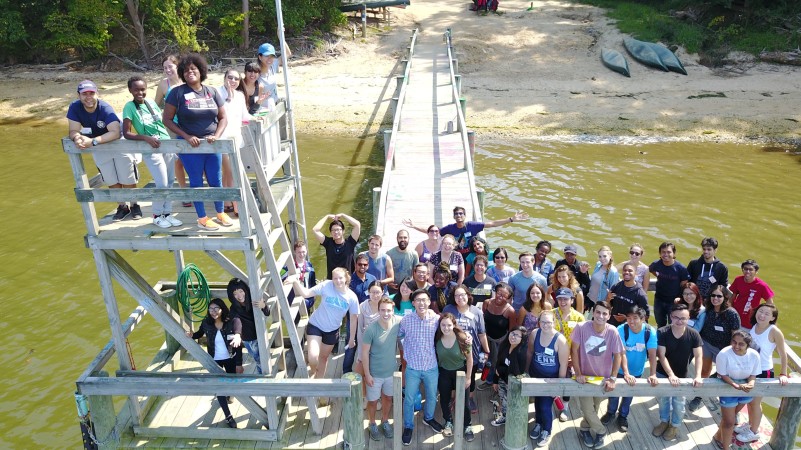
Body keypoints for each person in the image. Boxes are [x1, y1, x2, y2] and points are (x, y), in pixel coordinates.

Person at [162, 53, 231, 231]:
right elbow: (167, 120)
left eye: (193, 69)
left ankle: (220, 212)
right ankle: (202, 218)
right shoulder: (177, 93)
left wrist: (216, 135)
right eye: (185, 70)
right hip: (190, 146)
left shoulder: (212, 91)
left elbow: (223, 118)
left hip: (211, 144)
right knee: (196, 181)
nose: (189, 72)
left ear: (201, 71)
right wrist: (186, 136)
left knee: (216, 180)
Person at [67, 79, 140, 222]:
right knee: (110, 177)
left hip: (117, 144)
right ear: (78, 95)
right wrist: (77, 138)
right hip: (99, 147)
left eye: (91, 93)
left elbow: (115, 132)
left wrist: (92, 141)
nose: (88, 97)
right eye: (84, 94)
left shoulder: (105, 108)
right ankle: (122, 207)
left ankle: (134, 205)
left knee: (127, 176)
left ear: (97, 94)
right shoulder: (74, 107)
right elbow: (73, 130)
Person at [121, 76, 182, 228]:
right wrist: (145, 138)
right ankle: (157, 215)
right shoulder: (129, 107)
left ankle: (167, 213)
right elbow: (127, 133)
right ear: (130, 90)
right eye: (136, 90)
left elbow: (160, 124)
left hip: (166, 145)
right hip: (151, 149)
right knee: (161, 183)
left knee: (169, 182)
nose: (140, 93)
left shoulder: (151, 103)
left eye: (143, 89)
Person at [570, 301, 624, 449]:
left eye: (604, 313)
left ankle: (584, 429)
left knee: (594, 407)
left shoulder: (612, 331)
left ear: (609, 316)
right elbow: (573, 350)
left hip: (602, 379)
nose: (601, 316)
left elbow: (618, 355)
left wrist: (613, 378)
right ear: (593, 312)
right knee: (587, 409)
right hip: (585, 378)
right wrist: (578, 373)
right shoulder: (581, 327)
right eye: (598, 312)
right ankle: (601, 431)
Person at [288, 268, 358, 383]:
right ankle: (313, 370)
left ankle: (318, 382)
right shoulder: (326, 285)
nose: (338, 281)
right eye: (335, 278)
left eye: (340, 278)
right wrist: (295, 281)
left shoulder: (352, 297)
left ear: (346, 278)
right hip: (316, 325)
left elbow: (354, 319)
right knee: (313, 357)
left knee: (323, 358)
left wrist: (351, 339)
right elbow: (306, 294)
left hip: (332, 330)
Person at [735, 303, 789, 444]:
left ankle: (754, 432)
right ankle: (751, 425)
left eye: (767, 313)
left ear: (772, 318)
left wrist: (783, 373)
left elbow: (783, 355)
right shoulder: (754, 327)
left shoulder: (774, 331)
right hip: (751, 370)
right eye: (760, 311)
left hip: (764, 371)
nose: (762, 315)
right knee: (749, 401)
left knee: (755, 402)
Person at [185, 298, 242, 428]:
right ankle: (228, 416)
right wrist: (191, 335)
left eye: (217, 308)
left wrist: (239, 363)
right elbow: (199, 333)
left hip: (230, 357)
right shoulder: (206, 322)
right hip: (214, 359)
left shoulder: (231, 321)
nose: (213, 311)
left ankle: (230, 394)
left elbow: (238, 331)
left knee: (231, 383)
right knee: (218, 386)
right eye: (211, 309)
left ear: (222, 309)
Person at [652, 303, 703, 443]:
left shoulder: (693, 334)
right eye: (676, 317)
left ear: (688, 318)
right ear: (670, 317)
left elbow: (698, 356)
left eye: (683, 318)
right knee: (663, 400)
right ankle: (663, 421)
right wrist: (670, 374)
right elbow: (661, 356)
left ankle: (674, 426)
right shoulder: (662, 332)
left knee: (679, 402)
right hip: (663, 372)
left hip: (682, 374)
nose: (679, 321)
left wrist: (698, 375)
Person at [601, 306, 657, 433]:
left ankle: (623, 416)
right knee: (613, 394)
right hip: (618, 369)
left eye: (635, 318)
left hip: (637, 371)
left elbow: (653, 355)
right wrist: (626, 373)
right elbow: (622, 353)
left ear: (643, 319)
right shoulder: (622, 329)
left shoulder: (649, 332)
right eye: (629, 318)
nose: (631, 321)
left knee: (628, 395)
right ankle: (610, 412)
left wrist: (653, 374)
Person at [399, 289, 443, 446]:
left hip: (431, 366)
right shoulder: (406, 320)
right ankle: (408, 426)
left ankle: (428, 418)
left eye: (424, 300)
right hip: (413, 367)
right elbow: (399, 335)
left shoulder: (437, 319)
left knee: (432, 396)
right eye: (418, 300)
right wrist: (404, 354)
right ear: (413, 303)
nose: (422, 303)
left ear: (429, 302)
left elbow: (451, 330)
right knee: (409, 399)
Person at [403, 206, 528, 255]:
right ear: (454, 216)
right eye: (456, 214)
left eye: (461, 213)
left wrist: (511, 219)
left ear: (464, 215)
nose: (458, 215)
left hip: (471, 255)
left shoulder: (472, 225)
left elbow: (492, 224)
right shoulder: (450, 228)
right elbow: (433, 232)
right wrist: (414, 226)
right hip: (456, 255)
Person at [442, 285, 490, 412]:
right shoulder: (448, 309)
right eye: (456, 295)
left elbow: (481, 333)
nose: (460, 298)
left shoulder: (477, 312)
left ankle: (469, 398)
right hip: (453, 351)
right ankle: (454, 398)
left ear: (468, 295)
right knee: (453, 376)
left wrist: (486, 350)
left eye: (462, 294)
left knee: (471, 376)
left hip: (472, 352)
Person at [524, 312, 568, 447]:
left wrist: (559, 385)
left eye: (548, 322)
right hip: (536, 374)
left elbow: (563, 364)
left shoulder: (560, 340)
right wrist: (526, 371)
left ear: (554, 322)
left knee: (545, 405)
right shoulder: (535, 334)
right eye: (542, 322)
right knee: (537, 401)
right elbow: (530, 352)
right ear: (539, 322)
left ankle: (547, 430)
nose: (545, 325)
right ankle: (538, 423)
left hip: (551, 379)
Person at [713, 330, 761, 450]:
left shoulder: (754, 355)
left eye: (741, 344)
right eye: (734, 342)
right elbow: (722, 374)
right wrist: (734, 385)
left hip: (745, 390)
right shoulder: (723, 354)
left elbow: (753, 374)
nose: (736, 346)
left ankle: (718, 436)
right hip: (728, 387)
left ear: (748, 346)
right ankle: (726, 447)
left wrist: (751, 383)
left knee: (731, 416)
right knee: (730, 422)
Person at [361, 297, 400, 441]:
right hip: (375, 374)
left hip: (391, 372)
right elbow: (364, 353)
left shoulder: (397, 322)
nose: (386, 313)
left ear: (393, 310)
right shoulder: (371, 329)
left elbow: (413, 317)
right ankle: (372, 423)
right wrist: (367, 375)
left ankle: (384, 420)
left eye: (388, 310)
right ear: (378, 311)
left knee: (388, 398)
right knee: (372, 401)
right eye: (382, 310)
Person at [153, 55, 188, 200]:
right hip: (171, 127)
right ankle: (184, 193)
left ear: (177, 66)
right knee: (177, 160)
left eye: (170, 66)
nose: (167, 70)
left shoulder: (187, 79)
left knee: (196, 158)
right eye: (164, 67)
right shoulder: (163, 84)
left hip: (190, 125)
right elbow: (155, 106)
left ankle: (203, 190)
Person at [435, 313, 475, 440]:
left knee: (464, 402)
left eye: (449, 325)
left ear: (453, 325)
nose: (446, 328)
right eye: (443, 325)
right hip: (444, 372)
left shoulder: (462, 338)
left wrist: (468, 377)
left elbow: (470, 360)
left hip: (460, 372)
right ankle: (448, 421)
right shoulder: (436, 337)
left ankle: (467, 425)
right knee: (444, 400)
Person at [218, 68, 252, 215]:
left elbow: (245, 115)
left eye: (236, 79)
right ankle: (235, 204)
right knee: (231, 171)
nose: (233, 81)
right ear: (225, 78)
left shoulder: (239, 95)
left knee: (229, 173)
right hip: (222, 138)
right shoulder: (217, 93)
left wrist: (256, 118)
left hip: (235, 137)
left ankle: (226, 201)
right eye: (230, 78)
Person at [698, 286, 740, 393]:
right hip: (706, 344)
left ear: (725, 297)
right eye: (713, 295)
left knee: (722, 372)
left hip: (723, 348)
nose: (715, 298)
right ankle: (701, 393)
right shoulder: (708, 309)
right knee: (705, 370)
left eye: (719, 296)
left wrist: (731, 350)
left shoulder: (731, 314)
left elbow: (735, 335)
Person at [551, 287, 584, 422]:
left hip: (571, 357)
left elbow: (583, 339)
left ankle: (564, 407)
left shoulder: (579, 317)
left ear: (572, 300)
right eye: (559, 299)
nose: (562, 301)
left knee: (568, 381)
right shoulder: (551, 314)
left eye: (565, 299)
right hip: (553, 354)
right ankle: (550, 404)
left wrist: (575, 357)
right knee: (551, 379)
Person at [478, 282, 518, 390]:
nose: (500, 297)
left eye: (504, 296)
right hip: (486, 338)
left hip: (501, 341)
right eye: (499, 293)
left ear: (509, 298)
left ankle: (497, 385)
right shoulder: (486, 303)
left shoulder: (510, 311)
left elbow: (512, 330)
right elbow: (483, 321)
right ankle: (488, 380)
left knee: (497, 363)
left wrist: (507, 346)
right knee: (486, 362)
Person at [226, 278, 270, 374]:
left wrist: (264, 306)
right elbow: (236, 320)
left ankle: (263, 376)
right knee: (256, 358)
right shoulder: (234, 308)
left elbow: (267, 313)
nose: (239, 296)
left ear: (245, 290)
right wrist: (237, 334)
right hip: (246, 339)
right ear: (231, 295)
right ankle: (262, 373)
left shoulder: (253, 300)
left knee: (260, 360)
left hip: (258, 336)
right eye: (235, 293)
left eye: (241, 291)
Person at [491, 326, 528, 428]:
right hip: (502, 380)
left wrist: (501, 371)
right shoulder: (504, 346)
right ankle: (504, 417)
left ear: (522, 339)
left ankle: (510, 420)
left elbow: (516, 372)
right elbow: (498, 363)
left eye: (517, 335)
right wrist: (495, 380)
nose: (513, 336)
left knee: (509, 403)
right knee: (502, 399)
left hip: (512, 384)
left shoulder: (521, 353)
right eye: (512, 333)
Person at [648, 242, 690, 328]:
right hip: (659, 300)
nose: (666, 254)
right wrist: (659, 275)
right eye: (663, 252)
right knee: (660, 324)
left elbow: (684, 283)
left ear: (674, 253)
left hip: (674, 302)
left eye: (668, 252)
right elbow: (650, 270)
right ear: (660, 253)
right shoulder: (656, 264)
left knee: (673, 325)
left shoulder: (681, 268)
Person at [312, 213, 361, 279]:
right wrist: (326, 216)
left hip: (346, 281)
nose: (336, 232)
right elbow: (315, 230)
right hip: (332, 280)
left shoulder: (350, 242)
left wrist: (343, 215)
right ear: (331, 233)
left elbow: (357, 224)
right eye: (333, 230)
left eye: (338, 229)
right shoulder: (328, 243)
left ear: (343, 231)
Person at [729, 259, 774, 329]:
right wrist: (729, 309)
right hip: (736, 316)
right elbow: (733, 296)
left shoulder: (762, 285)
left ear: (756, 271)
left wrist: (765, 317)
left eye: (750, 269)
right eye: (745, 269)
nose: (747, 271)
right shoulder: (738, 280)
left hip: (750, 322)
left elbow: (770, 303)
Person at [281, 240, 316, 314]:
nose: (302, 254)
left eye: (303, 252)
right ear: (294, 252)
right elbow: (281, 283)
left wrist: (314, 297)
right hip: (293, 302)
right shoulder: (286, 268)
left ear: (306, 251)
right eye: (299, 252)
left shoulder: (309, 265)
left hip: (307, 301)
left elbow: (312, 283)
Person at [257, 41, 291, 108]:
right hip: (262, 110)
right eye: (266, 56)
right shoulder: (255, 73)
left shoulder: (273, 65)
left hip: (274, 106)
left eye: (272, 56)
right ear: (260, 57)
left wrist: (280, 36)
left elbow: (287, 54)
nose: (269, 59)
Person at [587, 246, 619, 312]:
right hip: (590, 299)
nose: (602, 259)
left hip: (600, 303)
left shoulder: (613, 272)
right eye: (600, 256)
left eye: (604, 256)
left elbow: (612, 292)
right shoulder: (598, 265)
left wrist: (606, 305)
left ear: (610, 256)